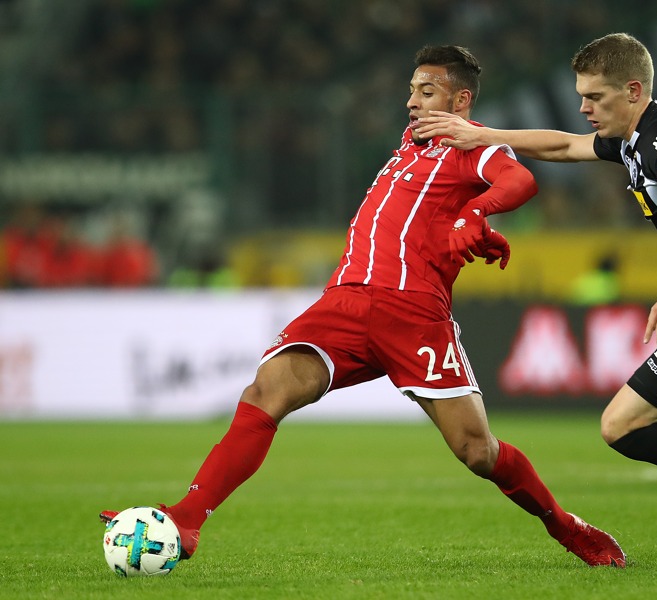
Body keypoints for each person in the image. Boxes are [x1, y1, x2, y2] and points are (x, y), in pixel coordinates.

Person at [100, 45, 626, 568]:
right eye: (411, 92)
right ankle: (188, 518)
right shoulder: (409, 144)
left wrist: (476, 213)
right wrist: (466, 225)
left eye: (427, 92)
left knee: (476, 451)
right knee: (266, 391)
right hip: (346, 302)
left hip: (413, 313)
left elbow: (520, 180)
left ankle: (564, 524)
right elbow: (418, 216)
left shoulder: (471, 145)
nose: (413, 103)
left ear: (461, 100)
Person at [416, 33, 657, 567]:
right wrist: (478, 136)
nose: (583, 108)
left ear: (632, 90)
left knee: (621, 425)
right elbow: (562, 145)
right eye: (581, 96)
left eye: (594, 98)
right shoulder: (636, 136)